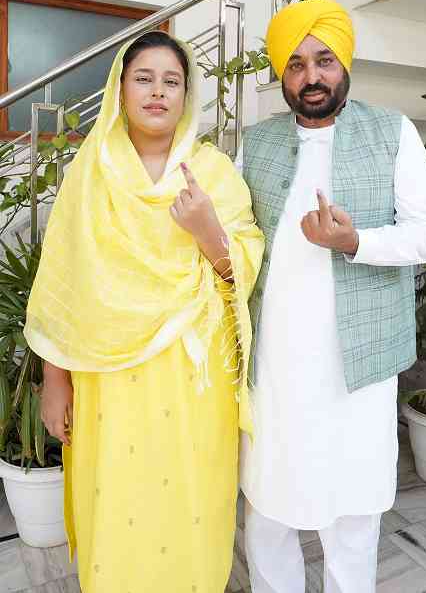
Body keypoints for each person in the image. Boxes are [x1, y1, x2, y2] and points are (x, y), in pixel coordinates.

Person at [25, 31, 264, 593]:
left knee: (190, 502)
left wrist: (209, 232)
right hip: (108, 382)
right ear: (120, 89)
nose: (158, 92)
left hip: (192, 383)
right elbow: (64, 284)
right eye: (144, 78)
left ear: (187, 95)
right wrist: (53, 381)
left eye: (172, 81)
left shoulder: (214, 172)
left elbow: (240, 271)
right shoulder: (91, 174)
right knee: (117, 500)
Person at [237, 0, 426, 593]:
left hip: (360, 362)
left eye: (323, 60)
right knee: (269, 507)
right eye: (296, 65)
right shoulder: (258, 141)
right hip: (274, 362)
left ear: (344, 63)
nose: (311, 77)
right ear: (282, 75)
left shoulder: (392, 131)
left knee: (353, 510)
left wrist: (356, 240)